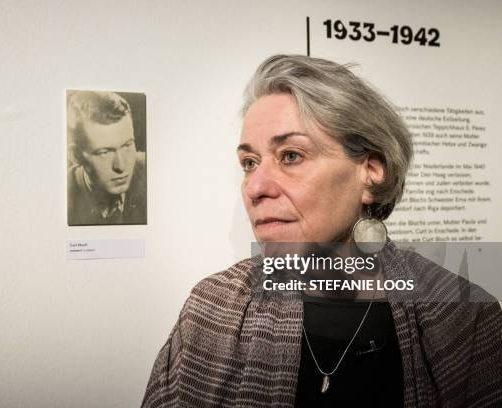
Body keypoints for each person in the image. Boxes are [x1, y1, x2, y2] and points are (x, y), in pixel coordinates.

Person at [142, 55, 501, 407]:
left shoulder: (464, 319)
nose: (255, 188)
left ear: (371, 169)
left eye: (291, 156)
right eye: (249, 163)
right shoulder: (210, 310)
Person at [67, 90, 146, 225]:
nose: (121, 166)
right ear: (75, 155)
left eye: (127, 145)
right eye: (104, 152)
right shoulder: (65, 200)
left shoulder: (153, 173)